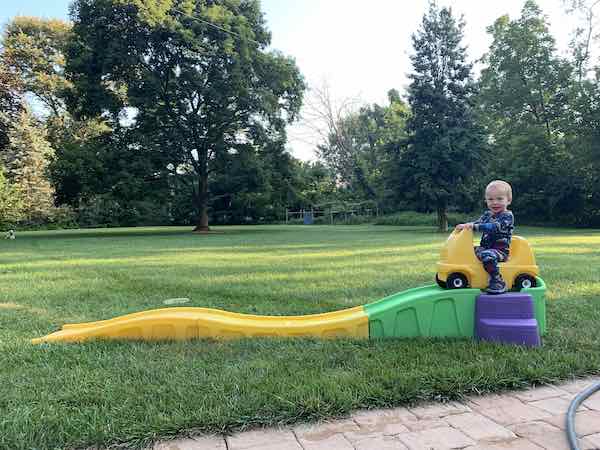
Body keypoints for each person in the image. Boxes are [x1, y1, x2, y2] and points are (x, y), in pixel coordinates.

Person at [456, 180, 514, 294]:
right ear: (486, 200)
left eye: (499, 199)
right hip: (486, 247)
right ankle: (467, 274)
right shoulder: (487, 214)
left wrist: (475, 226)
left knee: (487, 255)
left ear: (509, 200)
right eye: (491, 199)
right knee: (468, 251)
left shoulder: (507, 216)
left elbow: (494, 227)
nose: (495, 202)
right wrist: (466, 226)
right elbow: (477, 222)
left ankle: (497, 280)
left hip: (500, 250)